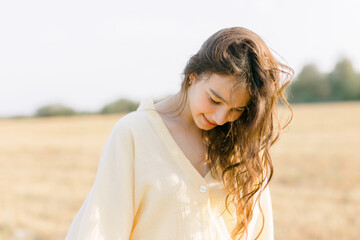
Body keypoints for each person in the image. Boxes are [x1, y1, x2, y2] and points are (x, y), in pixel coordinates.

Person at [65, 27, 293, 240]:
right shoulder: (134, 134)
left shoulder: (245, 144)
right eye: (214, 100)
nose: (221, 118)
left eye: (236, 109)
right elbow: (101, 228)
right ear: (192, 75)